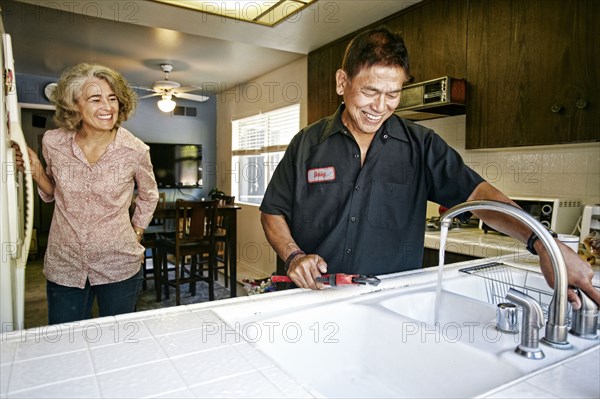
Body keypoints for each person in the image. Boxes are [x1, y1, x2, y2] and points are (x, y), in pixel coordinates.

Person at [259, 27, 599, 309]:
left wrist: (547, 245)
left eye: (393, 94)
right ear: (341, 82)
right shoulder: (306, 144)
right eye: (370, 91)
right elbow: (273, 211)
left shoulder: (422, 146)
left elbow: (480, 196)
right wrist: (293, 257)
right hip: (310, 299)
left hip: (389, 303)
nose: (380, 106)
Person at [13, 63, 159, 324]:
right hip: (65, 262)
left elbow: (149, 195)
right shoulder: (53, 142)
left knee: (116, 341)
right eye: (96, 99)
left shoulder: (135, 150)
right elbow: (53, 193)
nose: (108, 107)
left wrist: (136, 232)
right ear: (74, 105)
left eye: (112, 98)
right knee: (65, 341)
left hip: (118, 263)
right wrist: (35, 169)